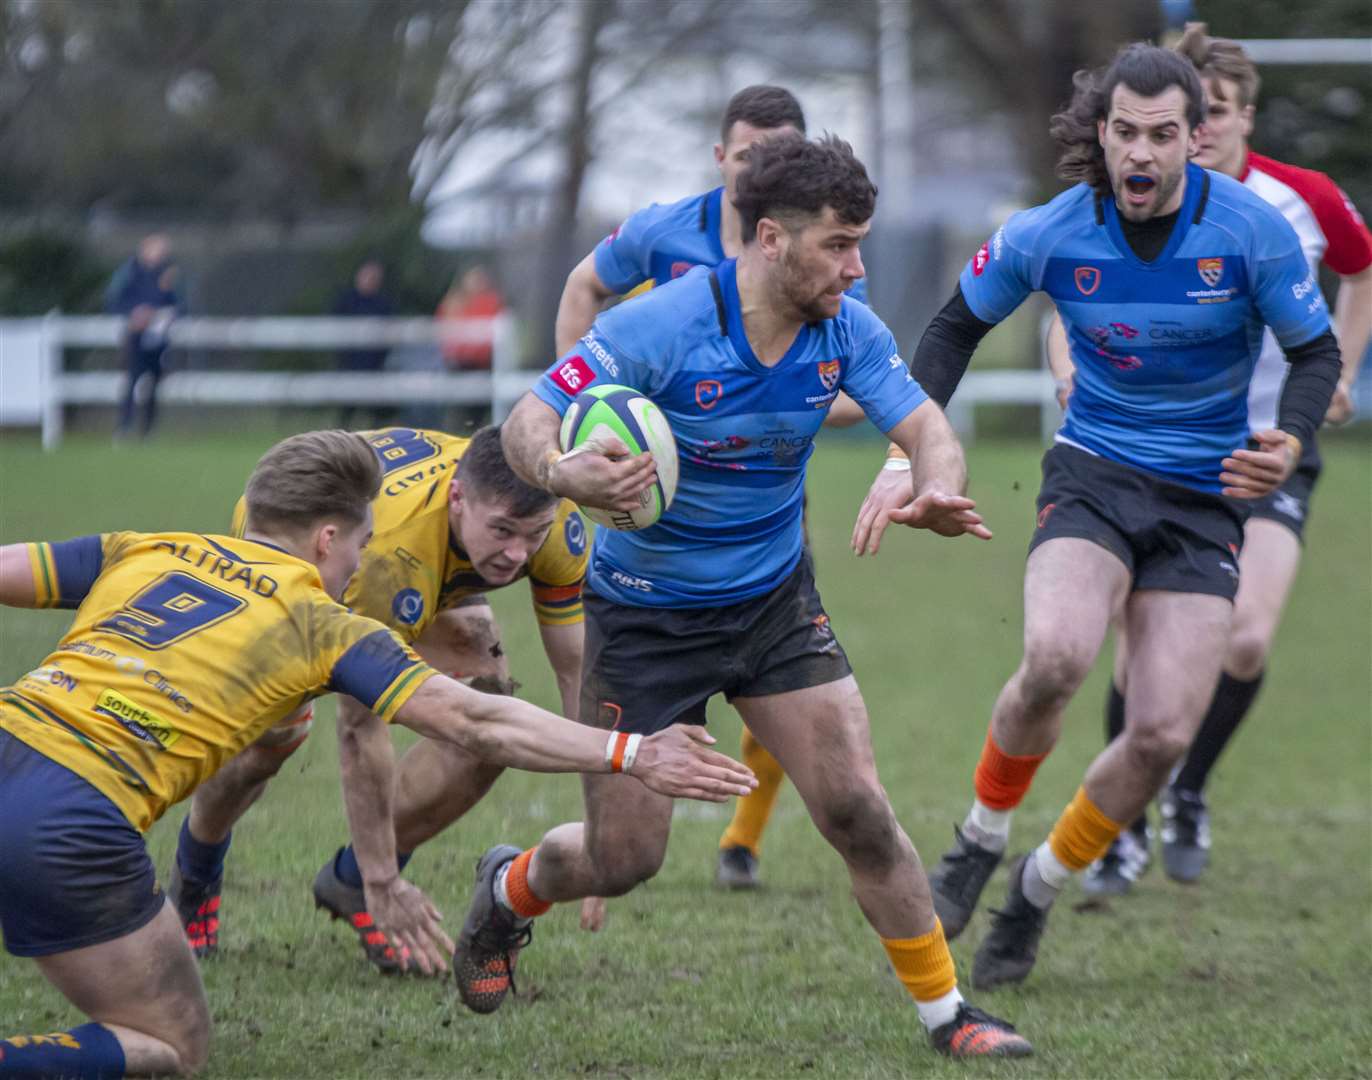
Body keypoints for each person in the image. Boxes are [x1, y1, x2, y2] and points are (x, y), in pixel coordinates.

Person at [464, 134, 1033, 1059]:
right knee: (626, 859)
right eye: (839, 245)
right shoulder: (663, 325)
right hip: (644, 620)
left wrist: (930, 481)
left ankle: (949, 1016)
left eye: (861, 243)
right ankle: (508, 890)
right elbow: (530, 418)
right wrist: (564, 472)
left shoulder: (846, 328)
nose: (856, 266)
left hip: (772, 605)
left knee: (857, 805)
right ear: (772, 238)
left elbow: (927, 423)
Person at [0, 430, 754, 1079]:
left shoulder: (141, 547)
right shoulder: (327, 622)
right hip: (69, 821)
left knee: (380, 693)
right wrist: (633, 753)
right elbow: (475, 721)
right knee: (175, 1041)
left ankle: (224, 883)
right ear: (331, 539)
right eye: (356, 547)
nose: (358, 565)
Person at [859, 43, 1340, 992]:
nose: (1142, 154)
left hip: (1206, 499)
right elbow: (954, 327)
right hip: (1095, 475)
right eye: (1126, 132)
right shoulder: (1051, 231)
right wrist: (899, 453)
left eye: (1164, 135)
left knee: (1162, 732)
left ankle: (1037, 889)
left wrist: (1285, 438)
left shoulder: (1251, 232)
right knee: (1056, 659)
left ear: (1196, 140)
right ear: (1103, 133)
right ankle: (978, 838)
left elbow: (1315, 354)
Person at [1046, 24, 1372, 895]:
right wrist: (1065, 367)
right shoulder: (1119, 207)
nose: (1198, 134)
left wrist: (1338, 364)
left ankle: (1186, 789)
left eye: (1214, 114)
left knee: (1250, 638)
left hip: (1269, 449)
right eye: (1166, 121)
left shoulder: (1297, 202)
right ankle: (1121, 824)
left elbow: (1360, 267)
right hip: (1155, 456)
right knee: (1133, 661)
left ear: (1233, 118)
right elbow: (1068, 298)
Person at [554, 83, 867, 896]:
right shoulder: (666, 230)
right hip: (646, 503)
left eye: (782, 150)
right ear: (720, 157)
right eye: (750, 150)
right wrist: (583, 417)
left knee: (784, 666)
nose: (764, 163)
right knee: (650, 777)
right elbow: (584, 287)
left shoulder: (820, 254)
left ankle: (744, 838)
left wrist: (808, 403)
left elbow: (841, 377)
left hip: (761, 491)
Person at [164, 426, 593, 971]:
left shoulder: (553, 522)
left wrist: (598, 830)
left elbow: (575, 669)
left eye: (531, 534)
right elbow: (359, 728)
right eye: (503, 530)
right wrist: (384, 881)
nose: (517, 553)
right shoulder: (382, 561)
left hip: (421, 567)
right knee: (274, 741)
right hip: (305, 556)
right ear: (458, 498)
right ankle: (197, 872)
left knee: (488, 719)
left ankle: (347, 882)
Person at [106, 233, 181, 441]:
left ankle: (147, 430)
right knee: (132, 381)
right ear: (145, 250)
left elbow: (178, 304)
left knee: (155, 383)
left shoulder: (167, 275)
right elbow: (114, 302)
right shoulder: (129, 273)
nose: (160, 255)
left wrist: (165, 304)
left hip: (158, 339)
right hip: (136, 337)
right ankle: (124, 427)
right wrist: (134, 314)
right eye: (157, 250)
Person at [333, 258, 393, 430]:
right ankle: (341, 438)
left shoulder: (383, 303)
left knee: (376, 409)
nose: (370, 280)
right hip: (350, 362)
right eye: (367, 276)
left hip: (374, 363)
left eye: (374, 277)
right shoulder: (345, 301)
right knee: (347, 408)